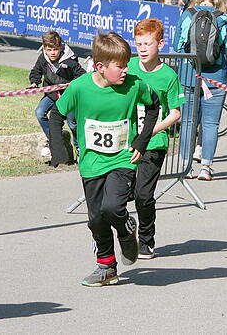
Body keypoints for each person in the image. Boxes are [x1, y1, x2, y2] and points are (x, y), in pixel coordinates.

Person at [47, 32, 160, 286]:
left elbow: (154, 105)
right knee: (96, 219)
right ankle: (107, 267)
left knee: (112, 208)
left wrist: (142, 140)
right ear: (100, 66)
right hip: (91, 163)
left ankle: (126, 229)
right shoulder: (80, 87)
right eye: (120, 66)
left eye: (127, 64)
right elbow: (55, 114)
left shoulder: (134, 85)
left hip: (122, 159)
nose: (126, 70)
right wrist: (59, 150)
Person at [128, 19, 185, 259]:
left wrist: (151, 130)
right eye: (139, 44)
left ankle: (146, 240)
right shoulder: (129, 66)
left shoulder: (168, 76)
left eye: (147, 44)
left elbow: (175, 113)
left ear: (160, 44)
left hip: (154, 142)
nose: (142, 49)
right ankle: (125, 226)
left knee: (143, 195)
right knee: (120, 193)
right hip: (127, 140)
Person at [174, 0, 227, 181]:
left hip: (189, 75)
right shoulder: (222, 18)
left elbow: (176, 45)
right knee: (210, 124)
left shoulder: (188, 14)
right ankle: (206, 167)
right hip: (215, 77)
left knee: (187, 122)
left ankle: (186, 166)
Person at [28, 31, 85, 157]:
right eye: (49, 50)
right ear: (44, 48)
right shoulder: (43, 58)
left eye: (55, 49)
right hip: (52, 93)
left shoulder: (70, 60)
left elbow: (81, 75)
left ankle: (79, 147)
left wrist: (73, 84)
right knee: (39, 113)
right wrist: (34, 82)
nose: (52, 53)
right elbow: (36, 71)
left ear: (61, 48)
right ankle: (53, 140)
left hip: (69, 96)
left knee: (72, 123)